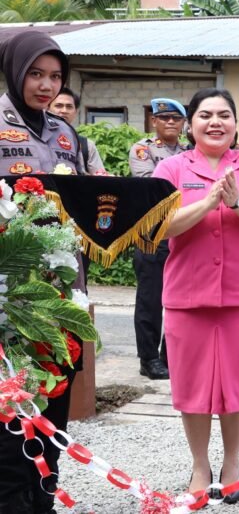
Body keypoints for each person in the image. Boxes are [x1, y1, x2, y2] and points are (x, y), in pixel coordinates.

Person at [153, 87, 239, 504]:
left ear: (235, 122)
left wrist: (237, 201)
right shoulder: (171, 169)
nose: (215, 122)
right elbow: (160, 225)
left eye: (224, 115)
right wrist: (210, 201)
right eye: (206, 115)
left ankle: (231, 463)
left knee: (236, 384)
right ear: (190, 123)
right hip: (186, 294)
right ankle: (199, 465)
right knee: (191, 386)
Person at [0, 29, 87, 514]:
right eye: (36, 73)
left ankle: (43, 500)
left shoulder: (64, 132)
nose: (46, 86)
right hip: (9, 297)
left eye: (55, 77)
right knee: (10, 413)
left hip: (60, 295)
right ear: (15, 71)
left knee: (53, 406)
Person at [128, 98, 191, 381]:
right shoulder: (143, 150)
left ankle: (169, 356)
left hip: (183, 233)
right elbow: (152, 187)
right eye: (163, 118)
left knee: (179, 299)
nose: (169, 123)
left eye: (175, 119)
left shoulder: (192, 151)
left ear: (183, 123)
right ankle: (149, 359)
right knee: (150, 300)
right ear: (154, 121)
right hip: (151, 235)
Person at [50, 87, 108, 175]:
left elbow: (100, 177)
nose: (64, 110)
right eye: (59, 105)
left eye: (69, 107)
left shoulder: (86, 145)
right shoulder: (34, 139)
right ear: (46, 108)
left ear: (75, 112)